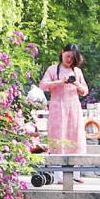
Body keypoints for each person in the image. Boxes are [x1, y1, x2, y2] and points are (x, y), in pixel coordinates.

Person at [39, 44, 89, 183]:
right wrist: (61, 81)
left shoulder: (77, 71)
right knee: (58, 138)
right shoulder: (52, 69)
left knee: (75, 138)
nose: (69, 60)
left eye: (72, 58)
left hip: (73, 108)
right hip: (57, 108)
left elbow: (85, 90)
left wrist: (77, 85)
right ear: (62, 53)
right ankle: (58, 175)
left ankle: (76, 174)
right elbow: (43, 85)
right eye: (67, 56)